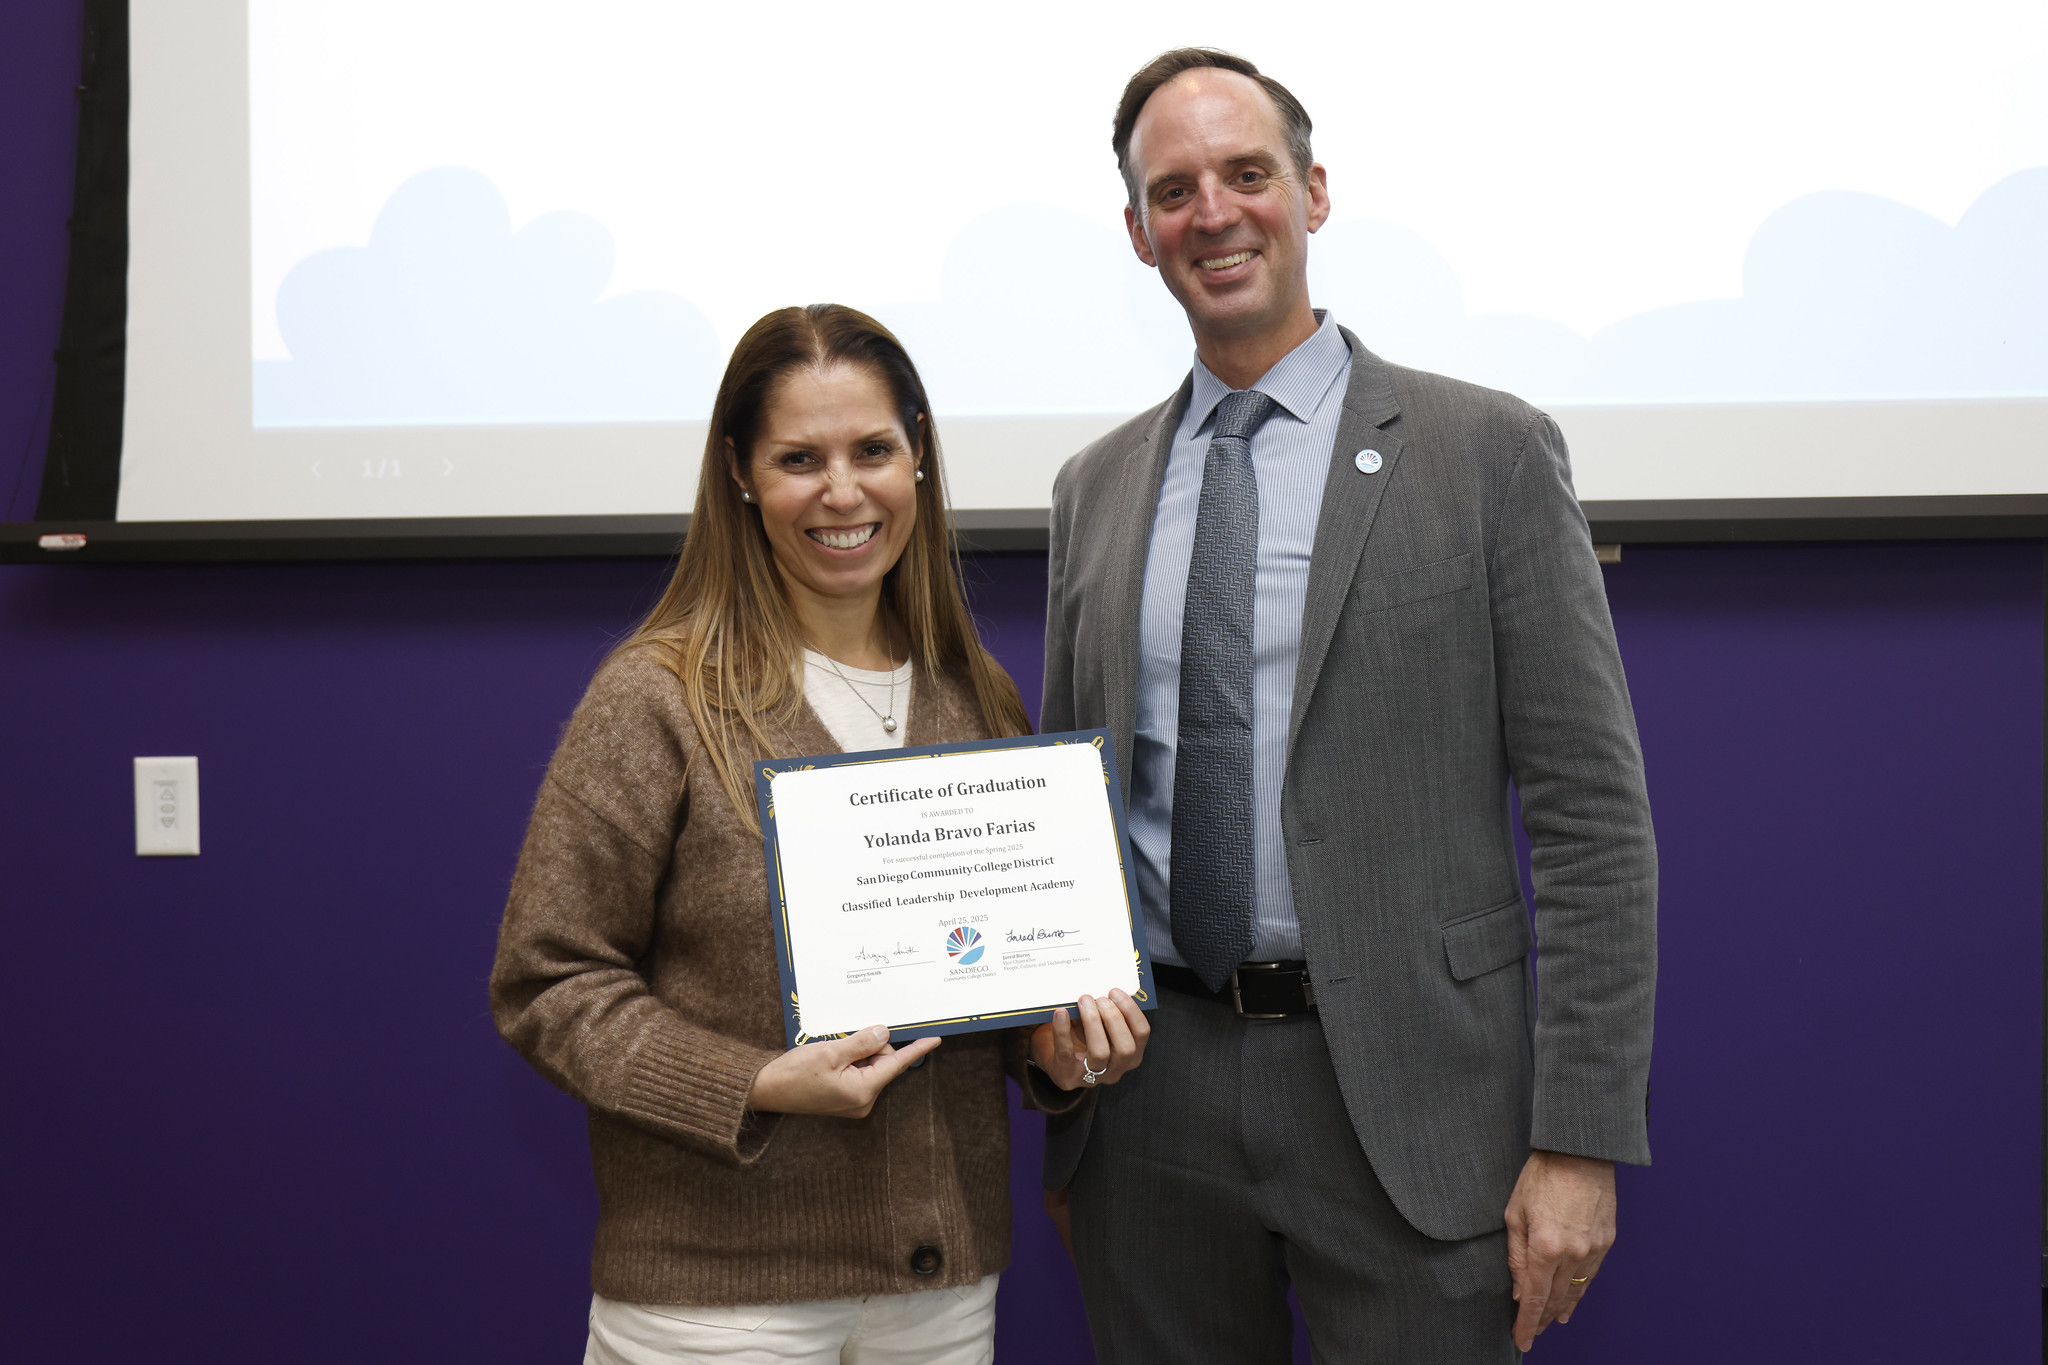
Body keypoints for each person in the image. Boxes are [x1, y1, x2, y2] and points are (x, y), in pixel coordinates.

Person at [1039, 49, 1657, 1362]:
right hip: (1149, 1105)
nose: (1213, 213)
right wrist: (1063, 1100)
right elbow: (1069, 816)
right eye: (1173, 191)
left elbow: (1592, 823)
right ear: (1138, 231)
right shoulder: (1093, 489)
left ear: (1313, 193)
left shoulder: (1485, 452)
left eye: (1246, 174)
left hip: (1413, 1102)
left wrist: (1579, 1137)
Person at [490, 303, 1150, 1365]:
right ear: (741, 474)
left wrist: (1056, 1052)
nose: (842, 492)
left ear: (918, 455)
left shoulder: (977, 698)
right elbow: (546, 983)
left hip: (940, 1293)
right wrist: (753, 1083)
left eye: (871, 450)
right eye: (800, 458)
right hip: (715, 1305)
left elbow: (988, 984)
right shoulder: (657, 698)